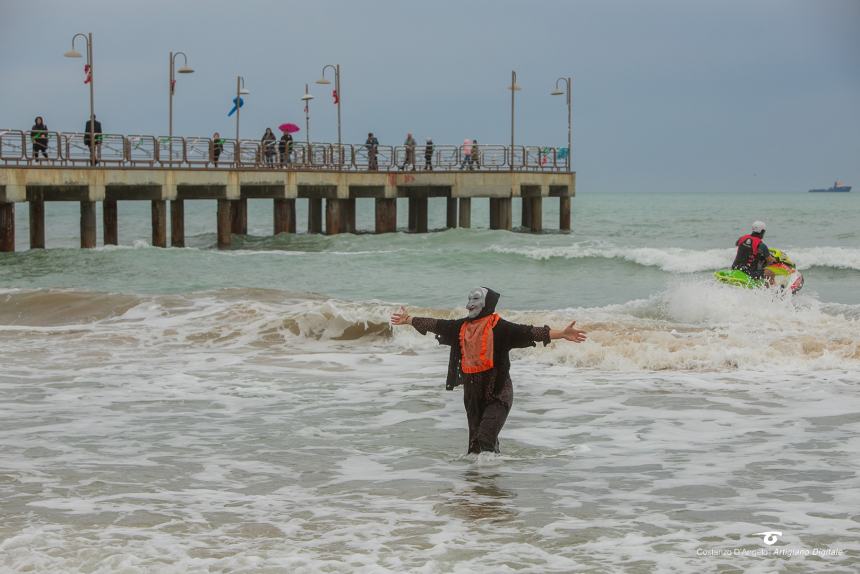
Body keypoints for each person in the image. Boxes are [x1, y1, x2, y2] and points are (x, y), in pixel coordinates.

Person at [390, 287, 587, 454]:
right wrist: (408, 320)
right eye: (469, 299)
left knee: (484, 439)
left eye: (475, 299)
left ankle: (488, 480)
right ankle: (484, 489)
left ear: (487, 303)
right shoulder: (461, 327)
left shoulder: (501, 328)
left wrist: (561, 333)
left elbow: (529, 332)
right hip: (473, 395)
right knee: (475, 448)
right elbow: (437, 324)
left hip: (498, 394)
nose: (469, 304)